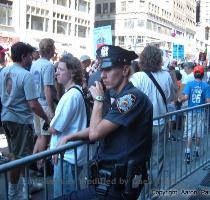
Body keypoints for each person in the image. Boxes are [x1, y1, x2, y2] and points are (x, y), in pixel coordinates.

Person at [54, 45, 153, 200]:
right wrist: (69, 137)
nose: (103, 75)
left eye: (108, 70)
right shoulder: (120, 96)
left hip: (117, 185)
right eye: (102, 70)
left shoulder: (131, 98)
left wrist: (98, 100)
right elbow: (100, 126)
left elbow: (95, 133)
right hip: (108, 182)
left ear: (125, 70)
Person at [0, 42, 50, 199]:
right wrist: (47, 117)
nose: (31, 58)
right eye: (29, 56)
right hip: (20, 121)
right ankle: (14, 192)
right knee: (19, 158)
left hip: (7, 118)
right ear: (23, 56)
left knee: (20, 155)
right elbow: (34, 105)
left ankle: (26, 185)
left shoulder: (3, 71)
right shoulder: (25, 75)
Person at [129, 45, 176, 198]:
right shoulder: (166, 75)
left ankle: (140, 194)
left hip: (142, 126)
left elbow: (131, 101)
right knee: (157, 161)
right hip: (161, 123)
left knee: (140, 161)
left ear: (142, 59)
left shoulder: (137, 77)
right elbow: (170, 97)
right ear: (159, 59)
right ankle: (155, 194)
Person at [49, 54, 87, 198]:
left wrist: (50, 123)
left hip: (67, 157)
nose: (56, 72)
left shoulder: (70, 96)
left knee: (64, 196)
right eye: (57, 69)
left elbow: (54, 128)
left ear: (72, 73)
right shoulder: (75, 92)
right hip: (69, 155)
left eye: (60, 69)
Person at [178, 65, 210, 164]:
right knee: (199, 132)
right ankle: (196, 151)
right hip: (201, 112)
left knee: (189, 132)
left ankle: (187, 153)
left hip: (191, 112)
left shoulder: (190, 84)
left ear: (194, 74)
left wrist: (179, 99)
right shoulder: (206, 86)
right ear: (202, 74)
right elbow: (208, 101)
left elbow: (186, 97)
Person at [30, 38, 56, 154]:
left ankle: (33, 162)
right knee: (45, 137)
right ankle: (41, 166)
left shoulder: (35, 64)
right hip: (45, 105)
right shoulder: (48, 65)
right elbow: (47, 88)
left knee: (40, 136)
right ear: (50, 50)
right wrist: (51, 110)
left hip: (35, 104)